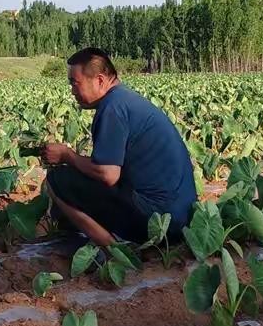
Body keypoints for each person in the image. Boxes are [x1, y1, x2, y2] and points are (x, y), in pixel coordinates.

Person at [42, 48, 197, 247]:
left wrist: (67, 155)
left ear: (99, 80)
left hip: (157, 222)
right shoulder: (126, 99)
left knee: (58, 180)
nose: (72, 90)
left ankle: (114, 248)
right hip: (182, 221)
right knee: (81, 178)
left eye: (75, 83)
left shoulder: (112, 107)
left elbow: (108, 174)